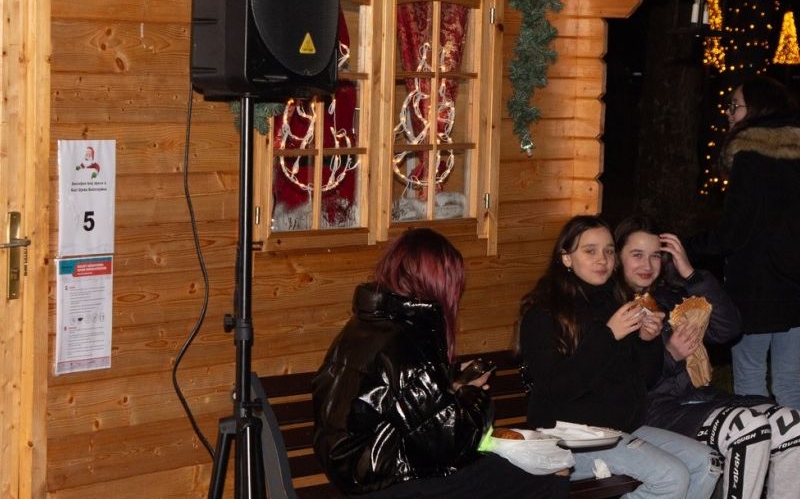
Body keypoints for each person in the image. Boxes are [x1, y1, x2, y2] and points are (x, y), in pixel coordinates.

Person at [312, 228, 569, 498]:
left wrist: (452, 383)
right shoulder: (407, 340)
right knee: (551, 471)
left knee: (515, 468)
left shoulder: (364, 326)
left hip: (368, 476)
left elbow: (405, 407)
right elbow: (453, 443)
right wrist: (472, 395)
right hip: (389, 483)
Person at [517, 215, 720, 499]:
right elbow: (556, 388)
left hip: (621, 430)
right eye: (590, 251)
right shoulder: (544, 312)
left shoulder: (616, 301)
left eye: (609, 251)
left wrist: (647, 341)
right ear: (566, 258)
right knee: (670, 478)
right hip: (566, 437)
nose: (602, 259)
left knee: (707, 463)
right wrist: (609, 335)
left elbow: (645, 379)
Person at [616, 214, 800, 499]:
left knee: (791, 423)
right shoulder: (613, 308)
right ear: (617, 257)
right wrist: (671, 354)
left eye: (655, 256)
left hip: (697, 400)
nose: (648, 265)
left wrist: (691, 274)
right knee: (747, 428)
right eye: (637, 255)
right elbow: (619, 378)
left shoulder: (671, 298)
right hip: (652, 411)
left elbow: (729, 329)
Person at [684, 76, 800, 409]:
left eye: (734, 105)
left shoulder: (749, 157)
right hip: (795, 290)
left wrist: (685, 246)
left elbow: (733, 233)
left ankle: (757, 441)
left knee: (750, 379)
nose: (728, 113)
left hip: (755, 291)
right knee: (790, 383)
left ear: (758, 109)